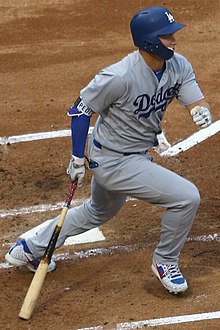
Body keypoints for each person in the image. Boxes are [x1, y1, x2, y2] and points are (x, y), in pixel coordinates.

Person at [5, 6, 212, 294]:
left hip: (132, 154)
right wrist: (78, 157)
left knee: (97, 211)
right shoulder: (119, 76)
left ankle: (29, 248)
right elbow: (80, 111)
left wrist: (199, 111)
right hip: (114, 162)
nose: (174, 41)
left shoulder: (178, 65)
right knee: (186, 197)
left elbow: (193, 98)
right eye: (167, 36)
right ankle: (165, 261)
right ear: (149, 41)